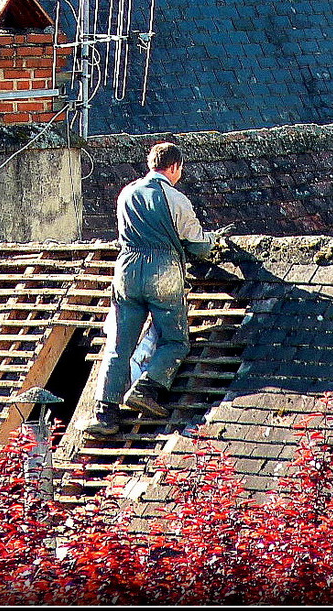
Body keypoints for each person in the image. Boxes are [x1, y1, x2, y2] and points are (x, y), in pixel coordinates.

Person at [83, 142, 228, 437]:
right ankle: (146, 388)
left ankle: (105, 415)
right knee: (175, 339)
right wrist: (213, 241)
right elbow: (198, 246)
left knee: (119, 345)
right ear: (174, 167)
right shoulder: (175, 198)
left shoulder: (126, 193)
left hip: (125, 271)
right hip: (161, 271)